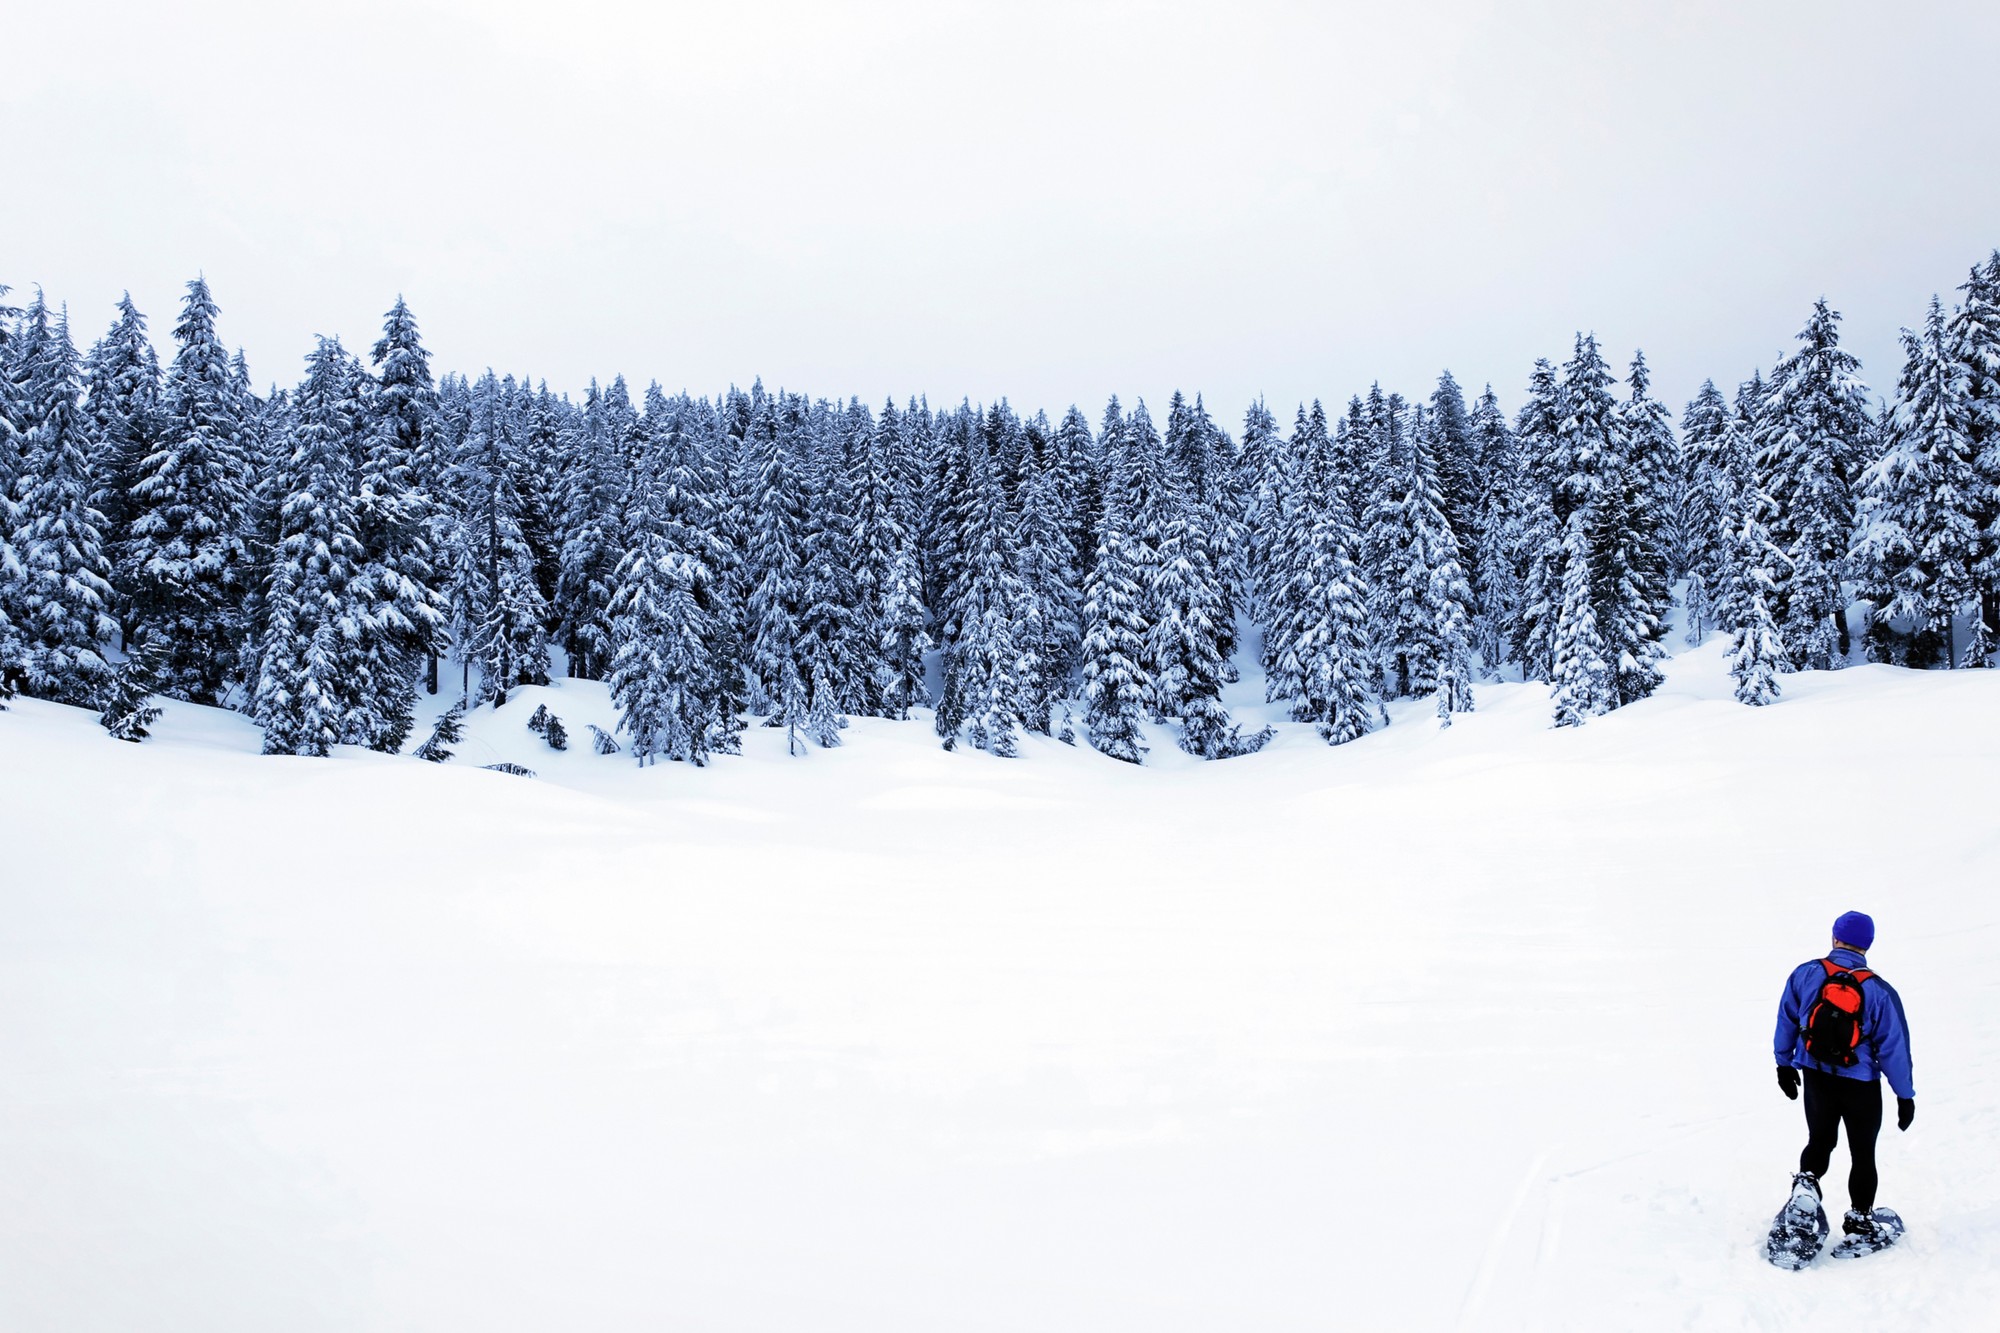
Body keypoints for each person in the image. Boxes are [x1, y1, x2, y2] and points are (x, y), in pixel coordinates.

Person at [1772, 910, 1915, 1241]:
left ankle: (1806, 1187)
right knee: (1863, 1152)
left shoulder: (1806, 974)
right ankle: (1860, 1224)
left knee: (1819, 1140)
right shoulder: (1879, 991)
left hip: (1816, 1074)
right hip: (1860, 1084)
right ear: (1868, 945)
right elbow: (1894, 1048)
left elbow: (1787, 1019)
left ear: (1835, 937)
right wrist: (1904, 1095)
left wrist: (1784, 1063)